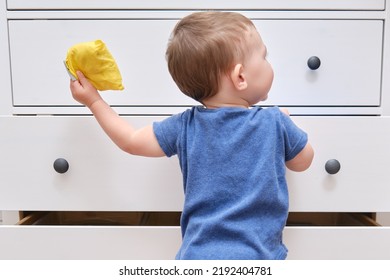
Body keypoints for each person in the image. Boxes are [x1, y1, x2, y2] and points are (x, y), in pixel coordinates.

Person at [70, 11, 314, 260]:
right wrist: (286, 123)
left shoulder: (185, 126)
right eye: (264, 56)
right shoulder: (273, 121)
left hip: (196, 257)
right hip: (258, 258)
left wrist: (93, 100)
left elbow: (130, 141)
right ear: (241, 77)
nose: (269, 63)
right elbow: (303, 161)